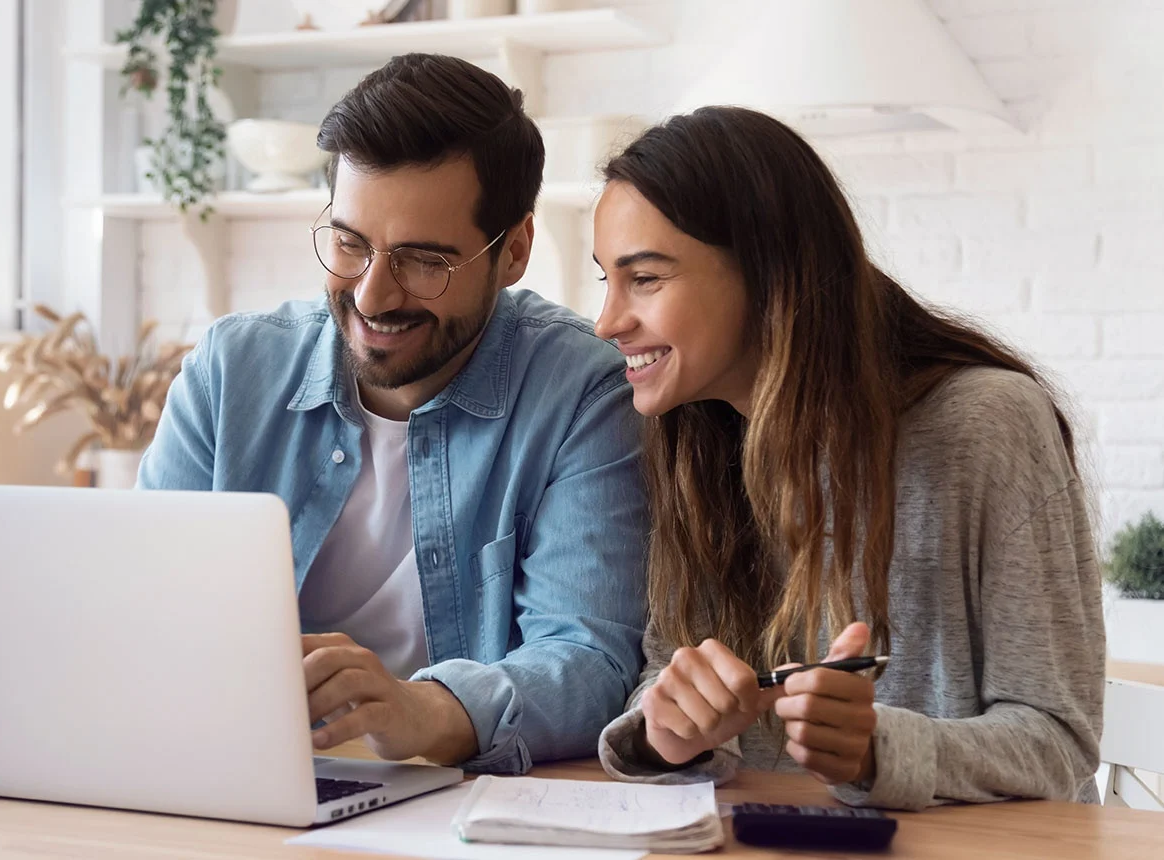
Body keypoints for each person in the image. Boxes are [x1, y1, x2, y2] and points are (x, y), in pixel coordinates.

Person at [138, 53, 647, 774]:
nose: (373, 296)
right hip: (237, 777)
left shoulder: (582, 394)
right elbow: (140, 610)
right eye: (349, 243)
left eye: (423, 260)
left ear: (515, 252)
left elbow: (589, 661)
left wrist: (420, 712)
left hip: (455, 803)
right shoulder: (229, 372)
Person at [591, 106, 1104, 811]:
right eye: (606, 281)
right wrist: (669, 732)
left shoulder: (988, 424)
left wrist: (876, 750)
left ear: (768, 273)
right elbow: (667, 674)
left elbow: (1059, 740)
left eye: (644, 279)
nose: (607, 321)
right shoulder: (697, 443)